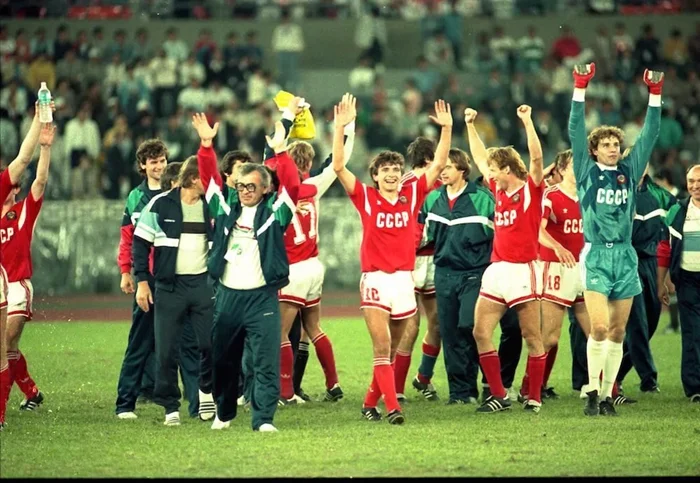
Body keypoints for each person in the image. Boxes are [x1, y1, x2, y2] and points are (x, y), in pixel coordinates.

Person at [332, 94, 452, 424]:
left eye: (396, 169)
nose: (392, 173)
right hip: (375, 279)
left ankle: (369, 403)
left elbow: (439, 164)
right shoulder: (365, 197)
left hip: (403, 280)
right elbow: (339, 167)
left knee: (395, 345)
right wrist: (340, 129)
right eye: (385, 169)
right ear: (375, 175)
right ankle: (394, 408)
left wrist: (447, 129)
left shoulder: (412, 194)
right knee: (382, 346)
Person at [194, 112, 300, 432]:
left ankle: (263, 419)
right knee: (223, 362)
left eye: (252, 186)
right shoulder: (225, 209)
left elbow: (292, 186)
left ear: (265, 189)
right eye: (241, 186)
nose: (245, 191)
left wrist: (281, 152)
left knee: (265, 361)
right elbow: (210, 180)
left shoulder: (275, 214)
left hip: (261, 299)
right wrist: (206, 146)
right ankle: (224, 413)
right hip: (227, 298)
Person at [568, 62, 662, 416]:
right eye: (605, 144)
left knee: (619, 332)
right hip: (596, 255)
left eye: (616, 144)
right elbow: (575, 128)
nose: (612, 148)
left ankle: (607, 396)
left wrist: (655, 94)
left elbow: (650, 135)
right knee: (599, 327)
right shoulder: (585, 169)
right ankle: (592, 391)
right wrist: (580, 87)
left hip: (625, 256)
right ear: (594, 150)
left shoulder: (629, 171)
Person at [466, 104, 545, 414]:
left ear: (507, 170)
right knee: (480, 332)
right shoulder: (499, 191)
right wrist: (470, 125)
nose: (489, 173)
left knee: (531, 336)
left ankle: (534, 397)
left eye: (494, 169)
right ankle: (499, 395)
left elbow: (536, 159)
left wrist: (527, 120)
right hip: (497, 270)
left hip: (523, 270)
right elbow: (478, 156)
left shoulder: (530, 191)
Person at [421, 148, 516, 404]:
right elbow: (421, 235)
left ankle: (486, 384)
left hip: (475, 273)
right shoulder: (432, 199)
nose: (442, 172)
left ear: (462, 170)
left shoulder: (483, 198)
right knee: (450, 333)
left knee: (469, 326)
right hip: (444, 273)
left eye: (448, 167)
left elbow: (503, 232)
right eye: (441, 168)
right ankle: (460, 393)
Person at [133, 153, 217, 426]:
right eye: (205, 177)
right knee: (166, 350)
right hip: (169, 287)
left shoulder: (212, 205)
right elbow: (140, 244)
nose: (211, 182)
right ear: (193, 179)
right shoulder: (160, 204)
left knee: (209, 344)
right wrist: (142, 282)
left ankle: (206, 391)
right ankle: (170, 407)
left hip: (202, 285)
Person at [277, 123, 356, 404]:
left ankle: (285, 393)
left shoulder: (279, 191)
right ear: (309, 163)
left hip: (292, 268)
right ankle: (333, 384)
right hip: (313, 265)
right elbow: (338, 162)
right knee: (314, 328)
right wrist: (348, 130)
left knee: (279, 333)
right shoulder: (314, 187)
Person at [1, 122, 55, 413]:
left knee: (7, 340)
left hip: (18, 285)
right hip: (0, 288)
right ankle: (32, 392)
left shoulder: (23, 210)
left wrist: (45, 149)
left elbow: (40, 181)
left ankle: (4, 402)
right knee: (8, 348)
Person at [115, 139, 169, 420]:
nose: (159, 166)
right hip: (148, 279)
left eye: (162, 161)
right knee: (140, 341)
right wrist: (126, 271)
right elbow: (128, 237)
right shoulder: (136, 197)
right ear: (142, 165)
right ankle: (125, 403)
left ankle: (199, 402)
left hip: (177, 279)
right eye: (153, 162)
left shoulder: (178, 190)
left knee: (190, 343)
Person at [533, 149, 589, 401]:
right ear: (563, 169)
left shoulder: (590, 194)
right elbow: (538, 229)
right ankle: (531, 388)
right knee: (550, 337)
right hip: (556, 268)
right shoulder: (551, 195)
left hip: (584, 268)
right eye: (574, 164)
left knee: (598, 333)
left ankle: (607, 390)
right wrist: (557, 247)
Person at [617, 166, 676, 394]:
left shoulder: (660, 195)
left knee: (650, 323)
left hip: (652, 262)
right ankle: (648, 378)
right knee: (638, 324)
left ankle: (615, 373)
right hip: (627, 261)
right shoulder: (617, 192)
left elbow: (678, 221)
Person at [393, 137, 442, 402]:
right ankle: (396, 387)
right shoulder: (405, 184)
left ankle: (423, 377)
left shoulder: (442, 183)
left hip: (434, 257)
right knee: (410, 325)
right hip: (410, 260)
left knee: (438, 322)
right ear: (429, 159)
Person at [657, 164, 700, 404]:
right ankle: (694, 387)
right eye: (691, 181)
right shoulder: (677, 211)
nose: (695, 186)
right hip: (687, 279)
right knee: (691, 333)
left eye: (699, 182)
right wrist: (661, 281)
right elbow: (665, 248)